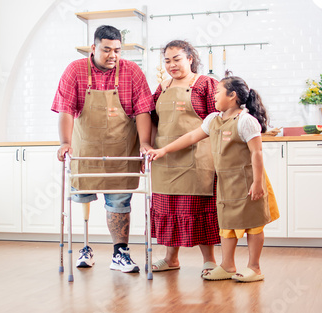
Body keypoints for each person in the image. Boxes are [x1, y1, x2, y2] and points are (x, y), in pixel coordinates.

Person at [147, 75, 279, 282]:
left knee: (253, 225)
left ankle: (254, 267)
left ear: (232, 95)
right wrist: (163, 150)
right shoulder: (213, 120)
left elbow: (257, 153)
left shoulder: (246, 121)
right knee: (226, 225)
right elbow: (191, 137)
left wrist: (257, 182)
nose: (214, 95)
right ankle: (227, 266)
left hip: (249, 182)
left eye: (218, 91)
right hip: (226, 182)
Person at [52, 25, 154, 273]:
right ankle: (85, 247)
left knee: (119, 202)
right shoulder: (75, 70)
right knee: (83, 197)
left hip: (121, 150)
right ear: (93, 47)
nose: (113, 55)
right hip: (85, 149)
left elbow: (143, 111)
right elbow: (65, 109)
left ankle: (120, 253)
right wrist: (65, 141)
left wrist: (145, 144)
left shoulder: (132, 71)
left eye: (118, 50)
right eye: (107, 50)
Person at [150, 40, 220, 275]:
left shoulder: (206, 84)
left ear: (190, 58)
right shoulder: (161, 88)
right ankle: (171, 259)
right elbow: (153, 121)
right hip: (164, 157)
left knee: (198, 209)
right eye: (167, 60)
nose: (172, 65)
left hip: (197, 158)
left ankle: (209, 260)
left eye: (177, 59)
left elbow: (219, 121)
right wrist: (148, 147)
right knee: (169, 208)